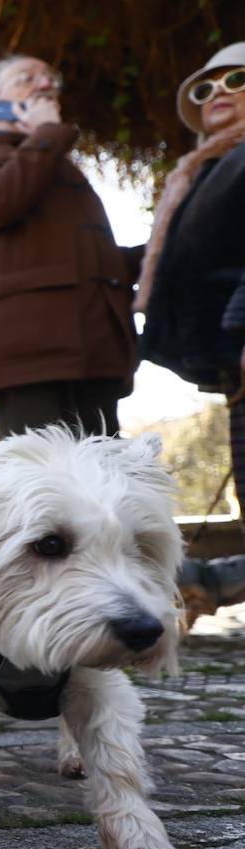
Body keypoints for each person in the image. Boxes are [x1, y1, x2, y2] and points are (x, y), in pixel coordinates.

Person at [0, 55, 141, 440]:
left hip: (96, 357)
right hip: (29, 362)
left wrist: (162, 249)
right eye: (27, 78)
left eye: (51, 78)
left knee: (110, 487)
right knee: (43, 489)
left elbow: (95, 262)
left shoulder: (58, 164)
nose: (45, 85)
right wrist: (47, 133)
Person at [137, 42, 245, 616]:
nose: (218, 94)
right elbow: (183, 258)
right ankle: (212, 580)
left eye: (236, 80)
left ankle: (210, 580)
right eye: (205, 89)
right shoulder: (209, 169)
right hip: (228, 351)